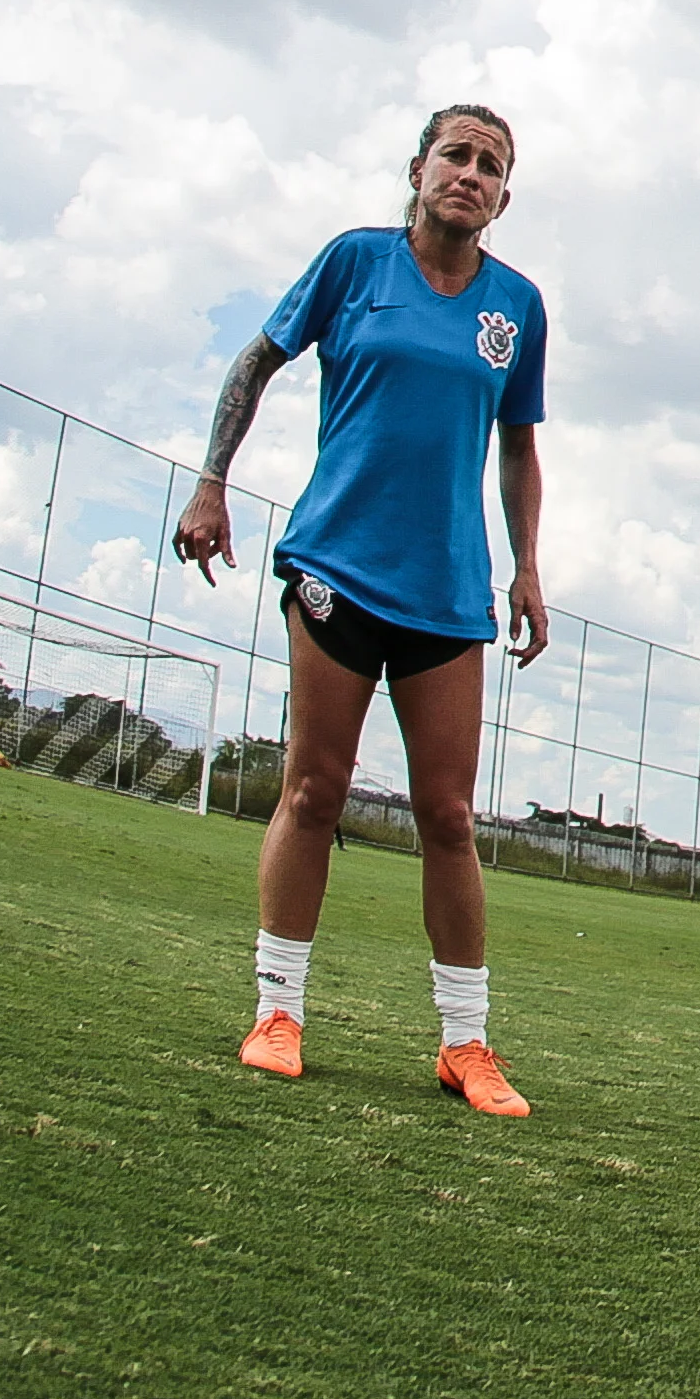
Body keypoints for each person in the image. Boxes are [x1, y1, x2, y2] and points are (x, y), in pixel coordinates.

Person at [176, 104, 555, 1114]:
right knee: (314, 791)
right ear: (419, 170)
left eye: (490, 166)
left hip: (445, 591)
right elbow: (254, 362)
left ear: (504, 198)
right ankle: (277, 1012)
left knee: (447, 814)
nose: (470, 174)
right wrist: (212, 482)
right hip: (335, 566)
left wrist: (525, 567)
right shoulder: (353, 264)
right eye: (456, 156)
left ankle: (466, 1045)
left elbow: (519, 446)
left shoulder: (517, 307)